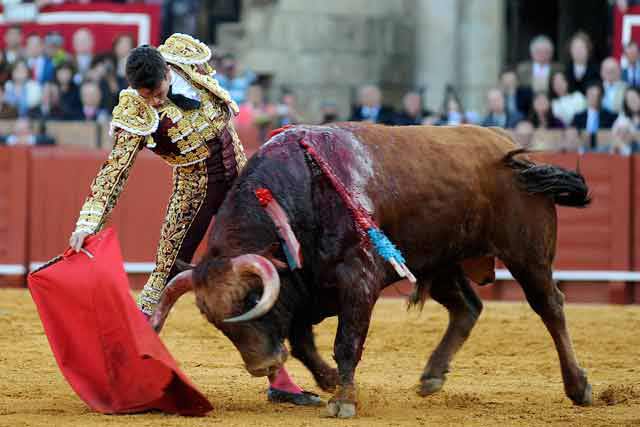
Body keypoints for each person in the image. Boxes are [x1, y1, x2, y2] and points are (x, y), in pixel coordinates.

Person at [67, 34, 321, 407]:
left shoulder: (187, 58)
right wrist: (87, 223)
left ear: (168, 71)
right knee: (163, 278)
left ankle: (280, 379)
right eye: (145, 95)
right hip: (194, 196)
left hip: (243, 185)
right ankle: (122, 371)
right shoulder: (135, 113)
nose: (153, 101)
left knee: (273, 265)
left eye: (157, 91)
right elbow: (113, 173)